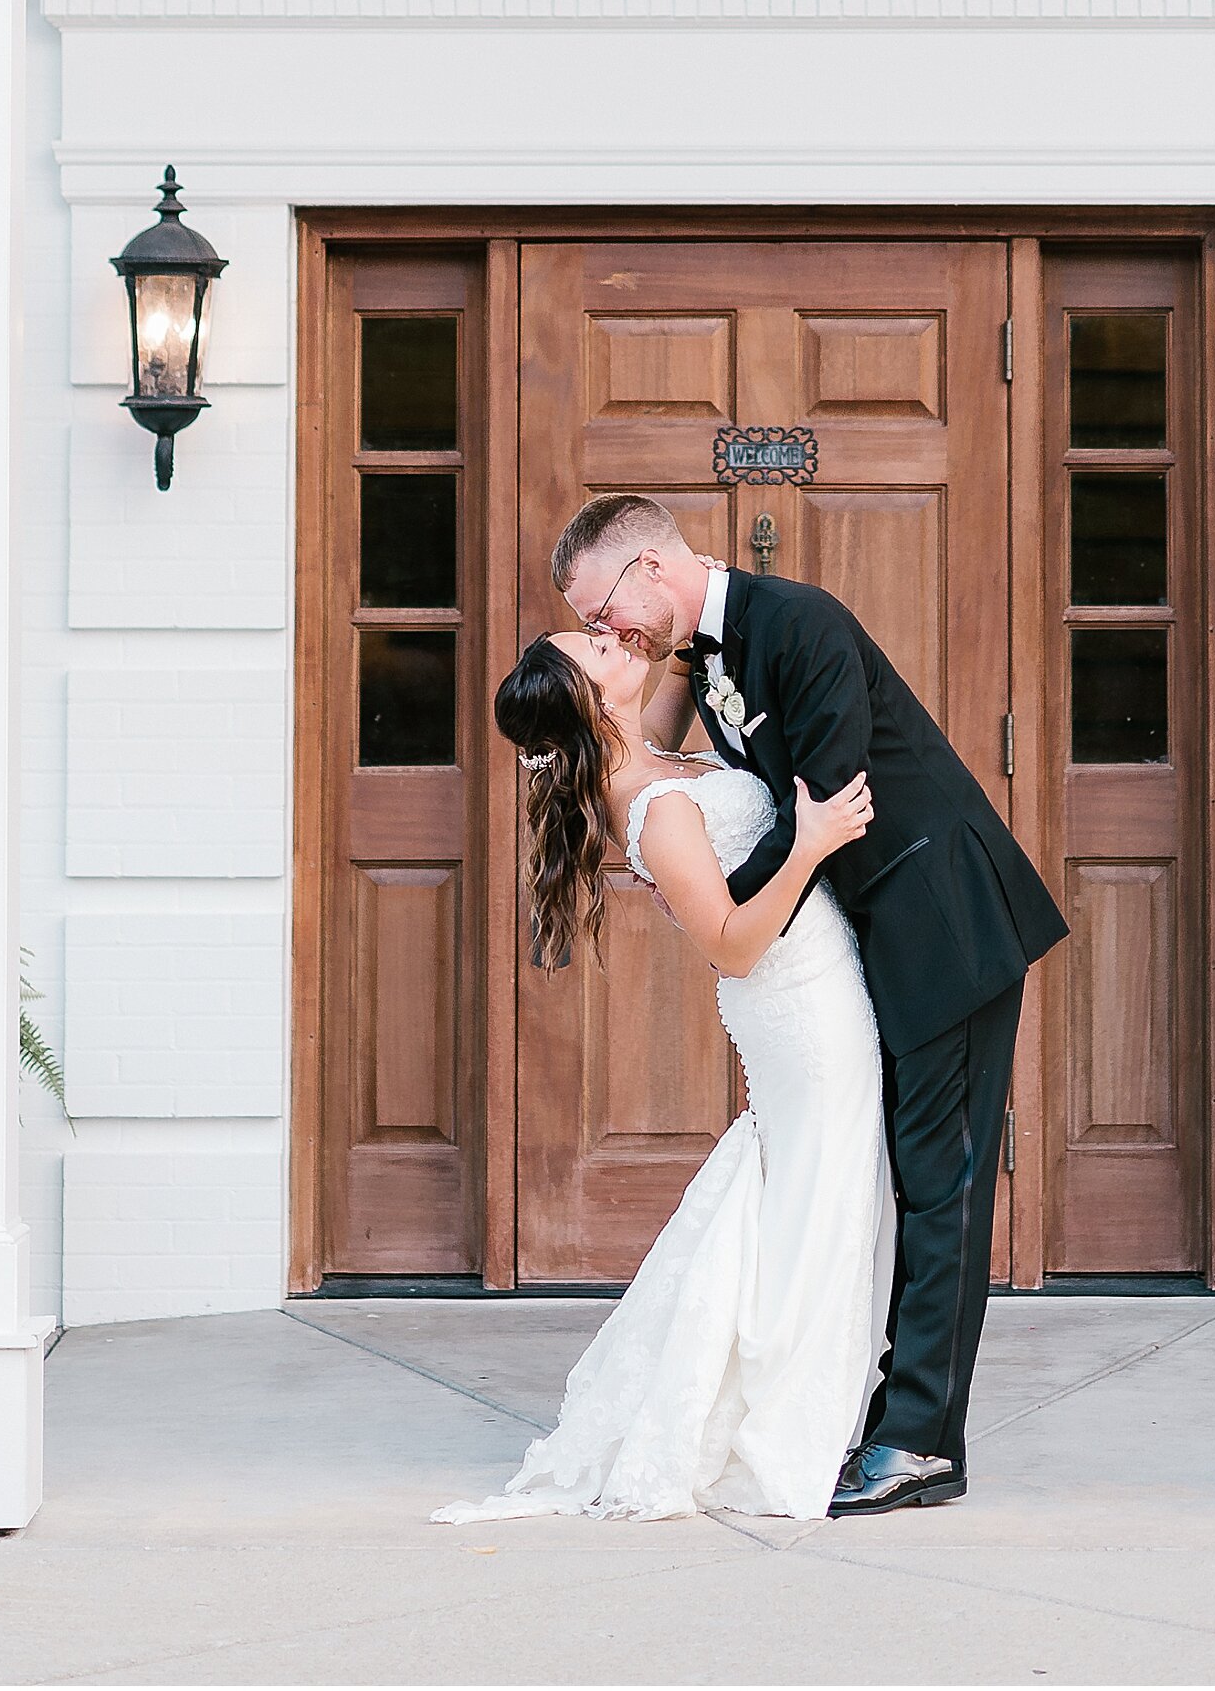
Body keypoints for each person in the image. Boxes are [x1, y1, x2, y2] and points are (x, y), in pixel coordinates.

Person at [557, 491, 1069, 1516]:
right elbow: (653, 769)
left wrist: (703, 897)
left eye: (604, 610)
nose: (607, 633)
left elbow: (831, 801)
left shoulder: (801, 623)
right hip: (873, 945)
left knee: (940, 1188)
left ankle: (919, 1439)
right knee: (902, 1180)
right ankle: (874, 1413)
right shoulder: (703, 659)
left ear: (652, 565)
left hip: (943, 927)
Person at [435, 618, 888, 1523]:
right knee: (823, 1192)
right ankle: (790, 1407)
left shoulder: (649, 754)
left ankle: (823, 1391)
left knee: (822, 1190)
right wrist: (811, 842)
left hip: (823, 984)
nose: (614, 641)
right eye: (597, 647)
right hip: (794, 1003)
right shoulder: (655, 803)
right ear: (592, 702)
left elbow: (677, 670)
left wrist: (680, 616)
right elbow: (730, 947)